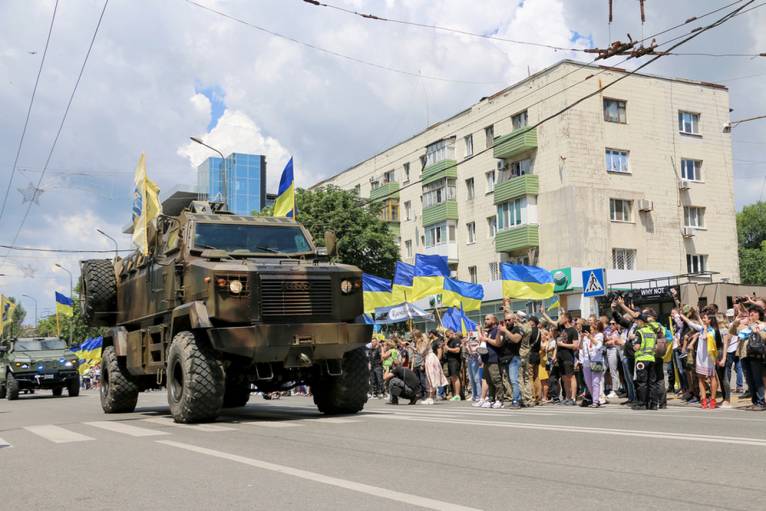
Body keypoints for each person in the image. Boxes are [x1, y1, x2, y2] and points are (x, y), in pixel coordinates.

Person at [630, 312, 659, 410]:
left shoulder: (640, 332)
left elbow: (637, 347)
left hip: (642, 359)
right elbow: (655, 347)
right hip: (651, 359)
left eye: (637, 321)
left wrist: (632, 346)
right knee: (652, 382)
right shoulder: (652, 332)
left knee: (642, 383)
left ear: (641, 321)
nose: (637, 323)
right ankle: (653, 404)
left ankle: (642, 404)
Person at [478, 314, 505, 409]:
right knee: (489, 381)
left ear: (493, 321)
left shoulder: (497, 330)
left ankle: (500, 400)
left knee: (496, 380)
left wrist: (486, 339)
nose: (485, 321)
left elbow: (498, 344)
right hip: (487, 359)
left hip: (494, 359)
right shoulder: (489, 331)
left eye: (487, 319)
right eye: (485, 319)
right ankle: (491, 399)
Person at [498, 312, 523, 408]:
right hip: (505, 358)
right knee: (510, 381)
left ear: (514, 320)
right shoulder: (505, 330)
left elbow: (516, 339)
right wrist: (499, 332)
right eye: (505, 320)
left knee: (513, 380)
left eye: (509, 320)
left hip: (514, 358)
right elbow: (499, 344)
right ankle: (518, 398)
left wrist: (505, 331)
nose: (507, 322)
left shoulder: (518, 329)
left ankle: (516, 401)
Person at [415, 330, 448, 405]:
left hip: (431, 358)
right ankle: (430, 397)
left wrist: (417, 345)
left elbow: (421, 352)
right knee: (429, 378)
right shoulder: (423, 341)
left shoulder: (425, 341)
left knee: (431, 377)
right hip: (428, 359)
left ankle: (431, 397)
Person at [581, 321, 606, 407]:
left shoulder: (600, 335)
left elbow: (598, 345)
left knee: (595, 382)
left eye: (591, 329)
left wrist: (590, 337)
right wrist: (581, 338)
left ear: (595, 329)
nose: (589, 330)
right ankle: (595, 398)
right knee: (588, 382)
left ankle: (595, 401)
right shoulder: (586, 337)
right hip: (586, 361)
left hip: (596, 360)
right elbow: (580, 347)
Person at [444, 329, 463, 401]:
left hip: (455, 361)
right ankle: (455, 394)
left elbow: (457, 350)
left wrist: (448, 348)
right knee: (452, 378)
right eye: (446, 336)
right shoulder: (449, 341)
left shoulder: (456, 340)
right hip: (449, 361)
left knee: (455, 377)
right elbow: (445, 350)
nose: (447, 337)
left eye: (448, 335)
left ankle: (458, 395)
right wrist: (446, 344)